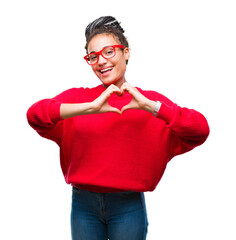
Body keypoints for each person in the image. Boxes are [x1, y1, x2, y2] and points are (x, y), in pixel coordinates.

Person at [27, 16, 209, 240]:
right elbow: (35, 114)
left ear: (126, 53)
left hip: (128, 205)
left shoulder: (149, 102)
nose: (101, 61)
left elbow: (199, 130)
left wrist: (151, 107)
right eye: (93, 57)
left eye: (109, 52)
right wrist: (89, 107)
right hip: (83, 205)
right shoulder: (79, 100)